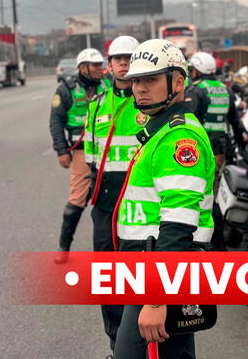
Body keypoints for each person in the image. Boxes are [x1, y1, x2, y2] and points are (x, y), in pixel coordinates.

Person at [112, 39, 215, 359]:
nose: (140, 88)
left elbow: (178, 224)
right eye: (137, 81)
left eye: (151, 79)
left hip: (162, 276)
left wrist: (157, 300)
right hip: (152, 270)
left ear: (179, 81)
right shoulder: (161, 131)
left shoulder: (179, 139)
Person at [83, 35, 142, 354]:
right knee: (107, 274)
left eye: (129, 58)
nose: (123, 63)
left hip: (142, 202)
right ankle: (116, 343)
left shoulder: (147, 102)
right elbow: (91, 154)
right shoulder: (96, 106)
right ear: (108, 66)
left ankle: (146, 340)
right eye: (117, 58)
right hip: (106, 201)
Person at [49, 48, 107, 264]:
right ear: (83, 67)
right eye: (95, 66)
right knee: (77, 201)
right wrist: (61, 150)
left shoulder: (108, 86)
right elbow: (56, 121)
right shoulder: (66, 89)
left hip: (109, 150)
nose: (100, 69)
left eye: (101, 65)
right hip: (81, 151)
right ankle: (64, 247)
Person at [184, 51, 242, 251]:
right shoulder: (225, 90)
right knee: (212, 192)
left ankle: (212, 243)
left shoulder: (196, 91)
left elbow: (190, 123)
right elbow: (235, 121)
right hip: (222, 149)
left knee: (204, 194)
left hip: (204, 148)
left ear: (197, 70)